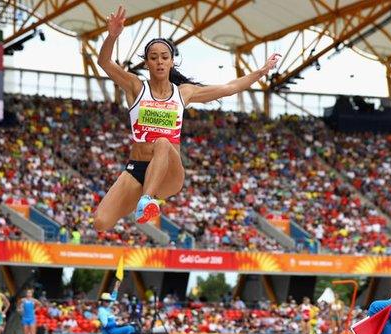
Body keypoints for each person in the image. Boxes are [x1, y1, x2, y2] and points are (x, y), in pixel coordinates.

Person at [94, 5, 280, 230]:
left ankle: (146, 200)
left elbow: (229, 87)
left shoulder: (183, 93)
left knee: (162, 142)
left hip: (170, 173)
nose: (160, 62)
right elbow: (104, 62)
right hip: (138, 167)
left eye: (164, 57)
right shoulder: (135, 87)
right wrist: (112, 36)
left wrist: (260, 72)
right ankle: (142, 198)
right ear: (147, 63)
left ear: (172, 61)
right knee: (100, 223)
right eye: (154, 58)